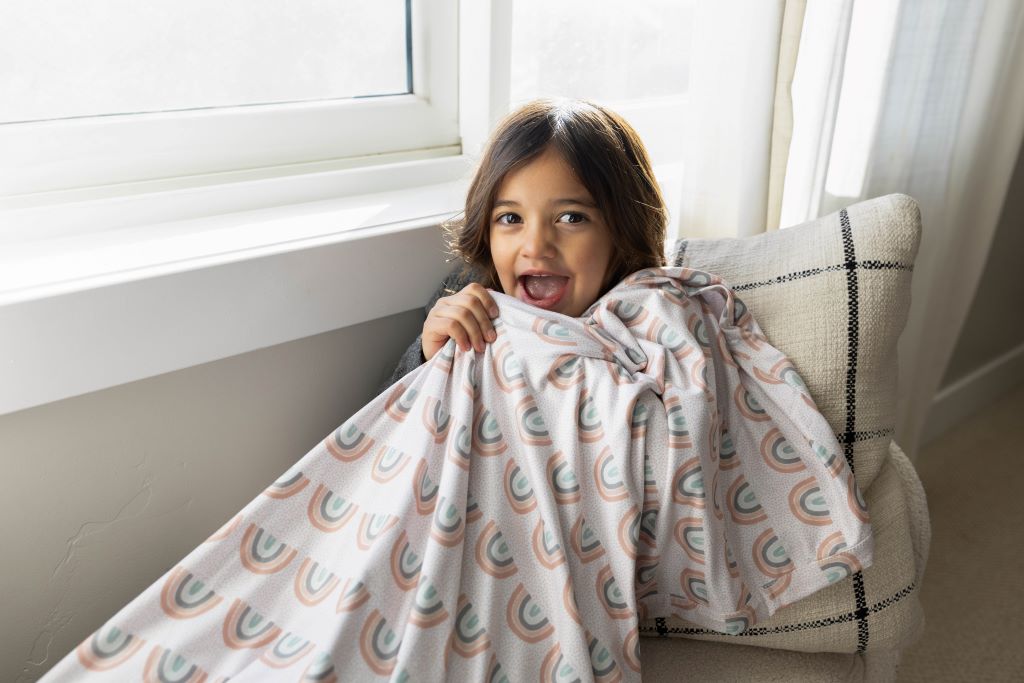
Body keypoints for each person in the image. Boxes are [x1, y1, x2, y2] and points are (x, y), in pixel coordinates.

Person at [378, 98, 669, 396]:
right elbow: (382, 420)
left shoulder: (655, 325)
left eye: (571, 218)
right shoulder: (466, 295)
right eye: (511, 218)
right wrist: (427, 355)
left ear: (624, 229)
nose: (535, 246)